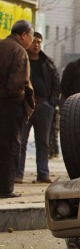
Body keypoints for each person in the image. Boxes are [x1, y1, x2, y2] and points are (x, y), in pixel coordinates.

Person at [16, 32, 60, 184]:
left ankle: (43, 174)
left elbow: (56, 84)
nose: (36, 45)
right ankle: (18, 174)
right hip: (26, 106)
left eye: (39, 42)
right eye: (34, 41)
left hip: (44, 106)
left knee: (43, 142)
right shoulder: (21, 59)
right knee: (21, 141)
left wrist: (51, 103)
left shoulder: (47, 62)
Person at [0, 20, 35, 198]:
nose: (32, 40)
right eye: (31, 35)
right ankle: (6, 189)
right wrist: (20, 102)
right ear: (23, 35)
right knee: (10, 146)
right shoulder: (19, 51)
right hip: (10, 106)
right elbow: (16, 84)